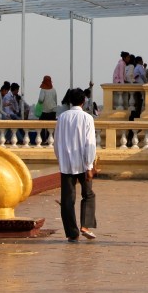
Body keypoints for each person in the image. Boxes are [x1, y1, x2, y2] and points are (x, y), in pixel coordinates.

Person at [54, 88, 98, 242]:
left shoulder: (62, 118)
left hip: (66, 163)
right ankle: (85, 225)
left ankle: (72, 232)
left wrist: (61, 159)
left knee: (67, 199)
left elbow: (56, 142)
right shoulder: (87, 118)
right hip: (82, 162)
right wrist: (89, 165)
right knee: (88, 194)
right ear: (83, 101)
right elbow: (90, 143)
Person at [36, 76, 59, 144]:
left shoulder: (43, 90)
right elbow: (56, 100)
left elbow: (40, 99)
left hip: (44, 111)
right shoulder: (54, 90)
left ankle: (43, 140)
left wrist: (40, 103)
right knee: (51, 127)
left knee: (42, 126)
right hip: (53, 110)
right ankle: (51, 140)